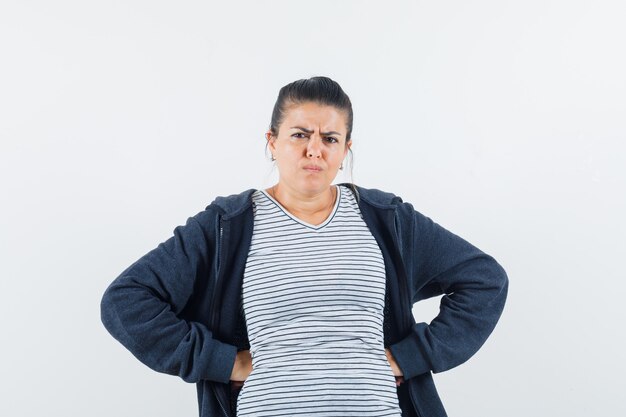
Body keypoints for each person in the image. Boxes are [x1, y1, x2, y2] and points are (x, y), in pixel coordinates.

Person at [100, 76, 509, 417]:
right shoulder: (226, 226)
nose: (314, 149)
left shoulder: (387, 219)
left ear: (345, 150)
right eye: (300, 134)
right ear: (272, 141)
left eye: (330, 138)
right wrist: (221, 363)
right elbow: (126, 301)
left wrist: (413, 355)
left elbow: (484, 280)